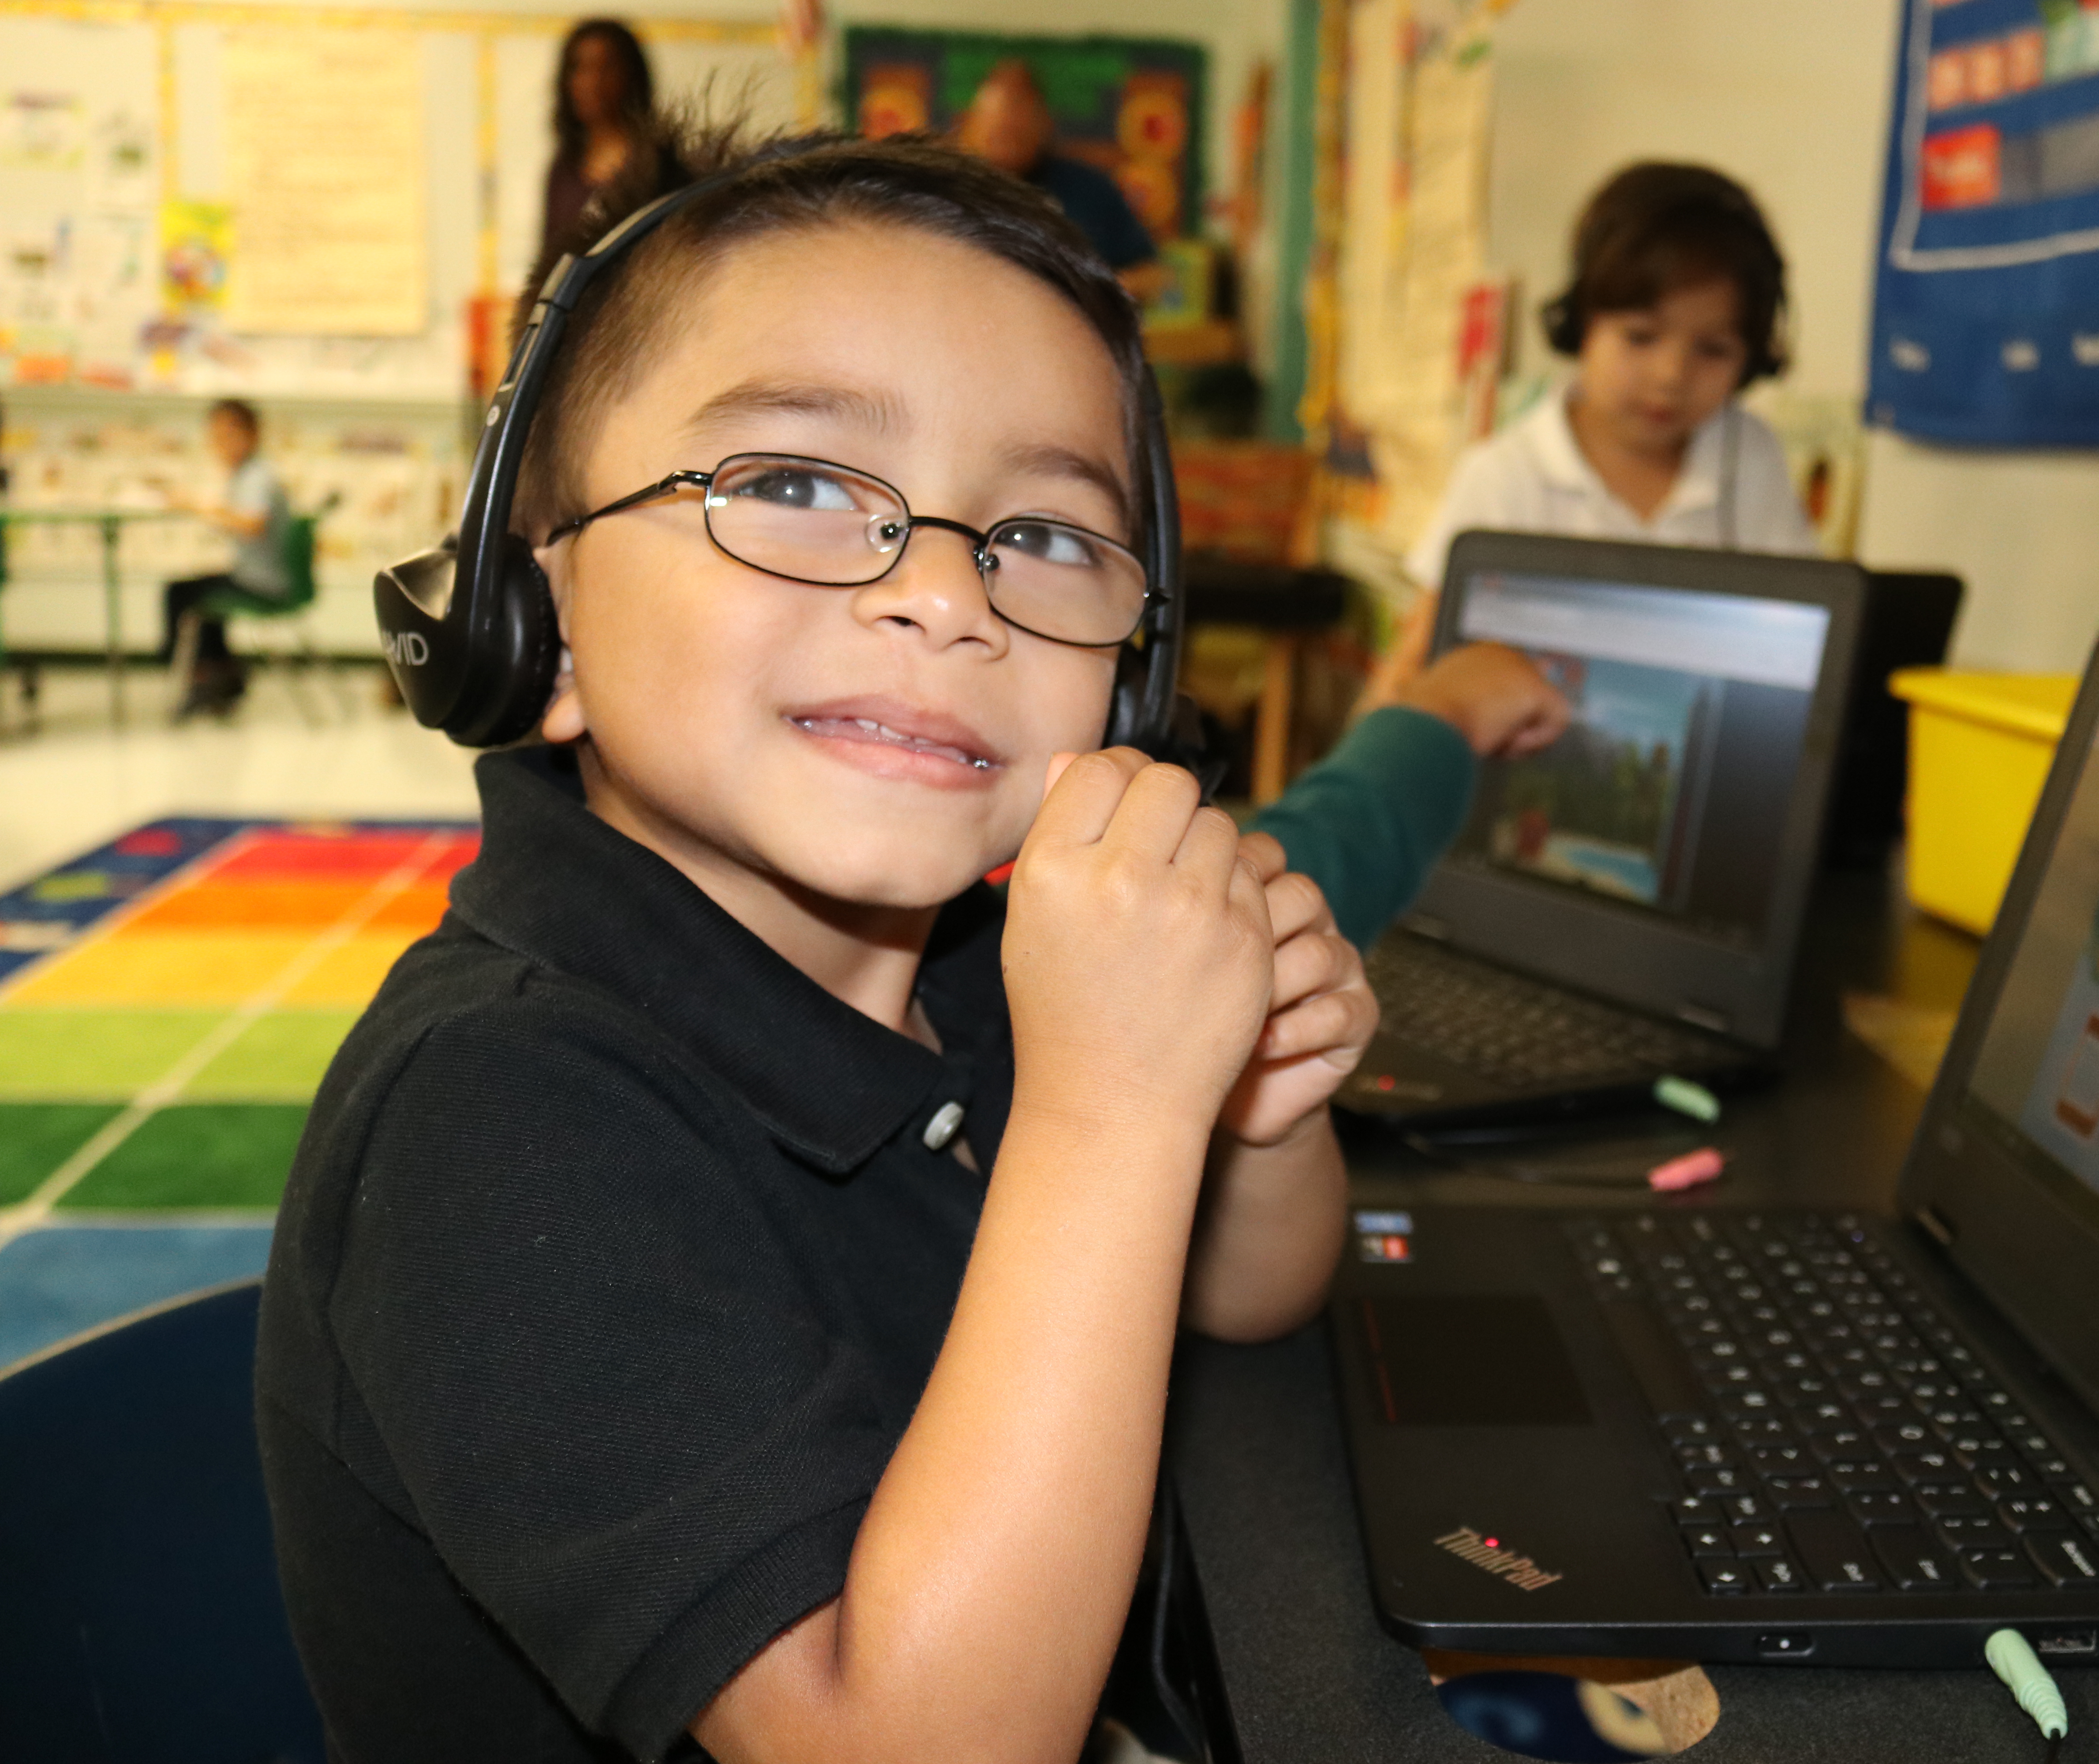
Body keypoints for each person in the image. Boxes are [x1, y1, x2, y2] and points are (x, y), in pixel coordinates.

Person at [252, 129, 1554, 1764]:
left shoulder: (977, 959)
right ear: (537, 624)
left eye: (1045, 536)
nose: (949, 594)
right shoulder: (492, 1118)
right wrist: (1115, 1107)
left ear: (1132, 686)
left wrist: (1258, 1098)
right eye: (793, 485)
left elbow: (1251, 1289)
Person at [1405, 161, 1818, 592]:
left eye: (1713, 349)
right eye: (1640, 338)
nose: (1671, 376)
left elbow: (1804, 608)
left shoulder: (1749, 454)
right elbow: (1424, 653)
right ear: (1582, 323)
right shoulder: (1505, 477)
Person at [952, 58, 1163, 301]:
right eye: (998, 132)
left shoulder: (1091, 189)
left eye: (1018, 127)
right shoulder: (944, 191)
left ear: (1045, 124)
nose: (1009, 132)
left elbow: (1153, 276)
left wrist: (1093, 296)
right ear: (968, 127)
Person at [161, 398, 289, 719]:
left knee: (182, 594)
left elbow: (252, 525)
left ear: (252, 435)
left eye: (230, 435)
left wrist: (197, 507)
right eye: (216, 438)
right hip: (256, 573)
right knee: (206, 599)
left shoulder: (257, 476)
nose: (222, 445)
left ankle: (196, 673)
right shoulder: (247, 474)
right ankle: (222, 674)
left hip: (262, 580)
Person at [541, 19, 679, 257]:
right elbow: (549, 257)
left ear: (631, 76)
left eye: (605, 68)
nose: (591, 83)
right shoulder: (564, 168)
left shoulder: (659, 164)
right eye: (579, 68)